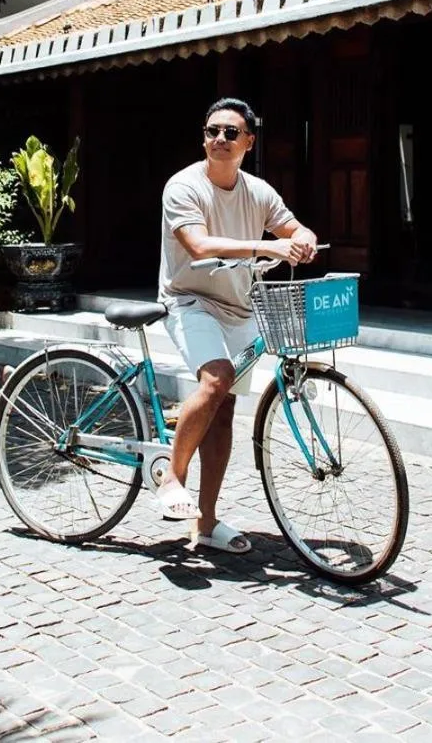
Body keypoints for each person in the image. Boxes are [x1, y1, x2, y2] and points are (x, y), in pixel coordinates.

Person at [156, 97, 318, 553]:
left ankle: (205, 526)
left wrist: (301, 240)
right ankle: (172, 477)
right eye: (212, 131)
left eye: (231, 132)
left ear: (249, 140)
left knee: (224, 409)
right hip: (189, 300)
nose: (220, 139)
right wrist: (267, 249)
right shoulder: (183, 186)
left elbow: (292, 227)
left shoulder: (258, 191)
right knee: (217, 380)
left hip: (237, 306)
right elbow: (199, 245)